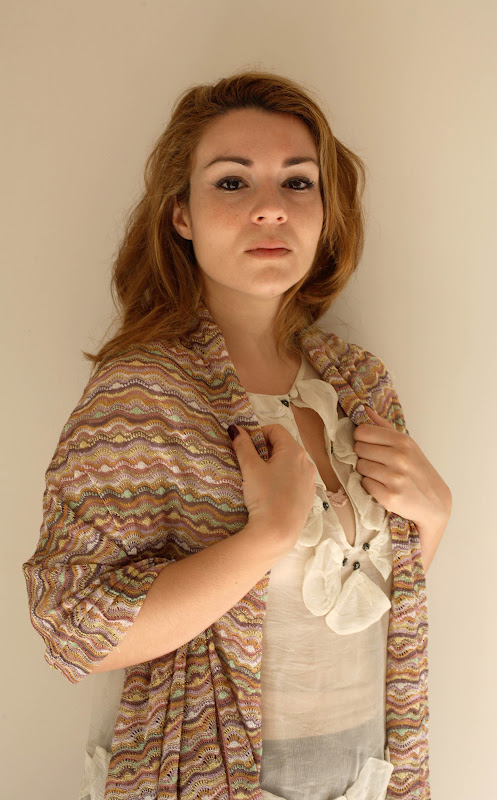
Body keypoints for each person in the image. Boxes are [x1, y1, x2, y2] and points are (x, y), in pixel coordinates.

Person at [22, 70, 452, 800]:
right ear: (181, 215)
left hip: (366, 778)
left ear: (326, 211)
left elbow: (356, 602)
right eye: (231, 182)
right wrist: (266, 535)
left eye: (297, 182)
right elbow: (75, 628)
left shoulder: (360, 384)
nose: (270, 208)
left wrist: (433, 515)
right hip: (203, 776)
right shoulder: (144, 393)